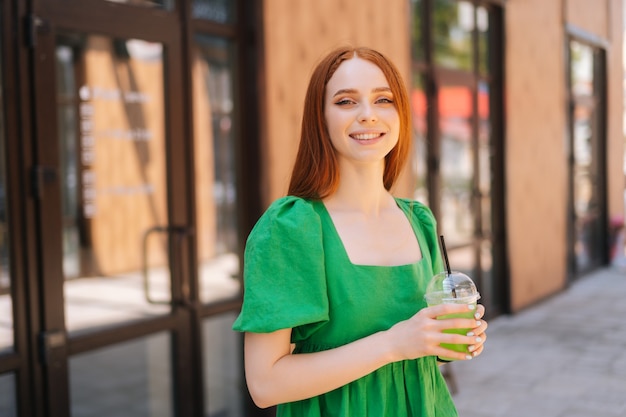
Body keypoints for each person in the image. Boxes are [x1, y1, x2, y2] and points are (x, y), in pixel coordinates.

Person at [232, 46, 488, 416]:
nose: (368, 115)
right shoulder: (291, 228)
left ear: (400, 113)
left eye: (383, 99)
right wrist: (394, 343)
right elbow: (265, 384)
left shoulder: (419, 221)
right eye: (346, 101)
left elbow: (425, 358)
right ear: (320, 118)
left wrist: (445, 340)